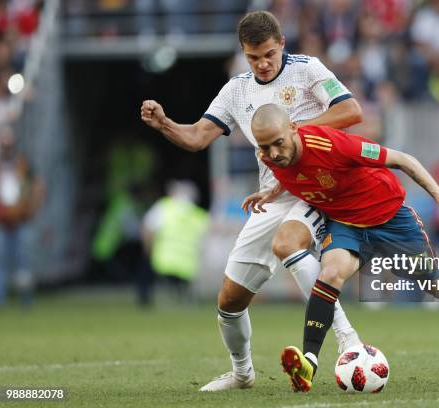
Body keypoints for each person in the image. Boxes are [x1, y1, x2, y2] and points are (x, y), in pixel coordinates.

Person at [140, 11, 363, 391]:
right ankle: (242, 373)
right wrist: (164, 124)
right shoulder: (236, 90)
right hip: (271, 198)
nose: (262, 64)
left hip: (316, 187)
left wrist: (295, 130)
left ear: (282, 45)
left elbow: (350, 111)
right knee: (229, 302)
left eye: (268, 55)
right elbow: (197, 137)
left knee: (289, 245)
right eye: (253, 57)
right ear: (243, 53)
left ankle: (350, 342)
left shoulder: (308, 70)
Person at [242, 104, 439, 392]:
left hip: (391, 220)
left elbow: (403, 160)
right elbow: (294, 172)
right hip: (346, 226)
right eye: (264, 147)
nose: (272, 154)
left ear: (293, 128)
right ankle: (309, 363)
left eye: (277, 144)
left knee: (438, 287)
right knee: (330, 272)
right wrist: (273, 190)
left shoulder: (333, 145)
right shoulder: (272, 156)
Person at [141, 180, 209, 304]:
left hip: (164, 262)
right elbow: (208, 240)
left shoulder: (164, 207)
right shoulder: (199, 215)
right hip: (189, 265)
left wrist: (147, 250)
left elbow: (147, 228)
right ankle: (186, 300)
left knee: (144, 269)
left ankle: (149, 300)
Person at [0, 125, 44, 307]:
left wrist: (33, 208)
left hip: (21, 219)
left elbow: (39, 185)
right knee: (0, 263)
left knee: (23, 263)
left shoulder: (23, 164)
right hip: (1, 221)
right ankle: (0, 300)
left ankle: (26, 300)